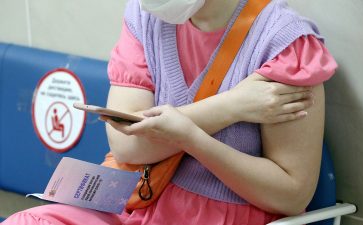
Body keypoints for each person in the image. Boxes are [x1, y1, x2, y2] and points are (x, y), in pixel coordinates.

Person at [1, 0, 338, 224]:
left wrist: (192, 138)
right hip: (139, 202)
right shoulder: (147, 14)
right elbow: (128, 147)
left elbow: (291, 195)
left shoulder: (284, 42)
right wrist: (231, 106)